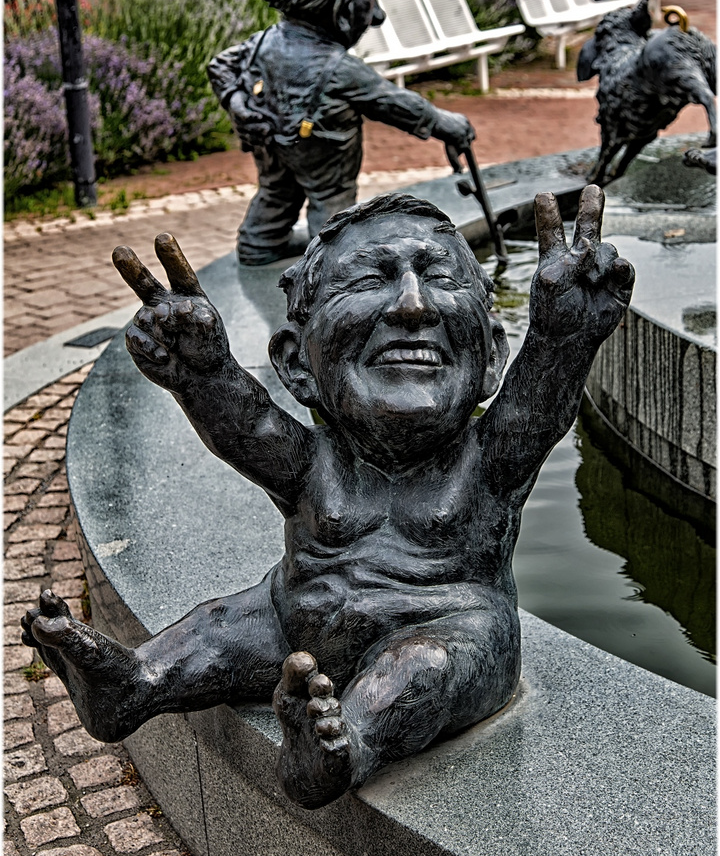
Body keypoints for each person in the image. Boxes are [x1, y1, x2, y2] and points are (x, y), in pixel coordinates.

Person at [22, 186, 634, 810]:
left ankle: (345, 747)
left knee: (422, 670)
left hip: (450, 628)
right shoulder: (315, 460)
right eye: (369, 280)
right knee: (220, 626)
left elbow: (538, 408)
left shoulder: (487, 461)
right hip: (292, 618)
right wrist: (202, 375)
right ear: (296, 366)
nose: (413, 305)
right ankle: (136, 685)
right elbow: (249, 427)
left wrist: (564, 340)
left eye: (438, 277)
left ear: (489, 362)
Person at [206, 0, 475, 266]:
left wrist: (238, 102)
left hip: (271, 142)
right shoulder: (341, 69)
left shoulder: (263, 42)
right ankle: (331, 263)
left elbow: (220, 65)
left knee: (276, 192)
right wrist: (448, 124)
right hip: (324, 159)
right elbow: (397, 103)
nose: (377, 15)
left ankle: (261, 244)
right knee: (331, 202)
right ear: (340, 0)